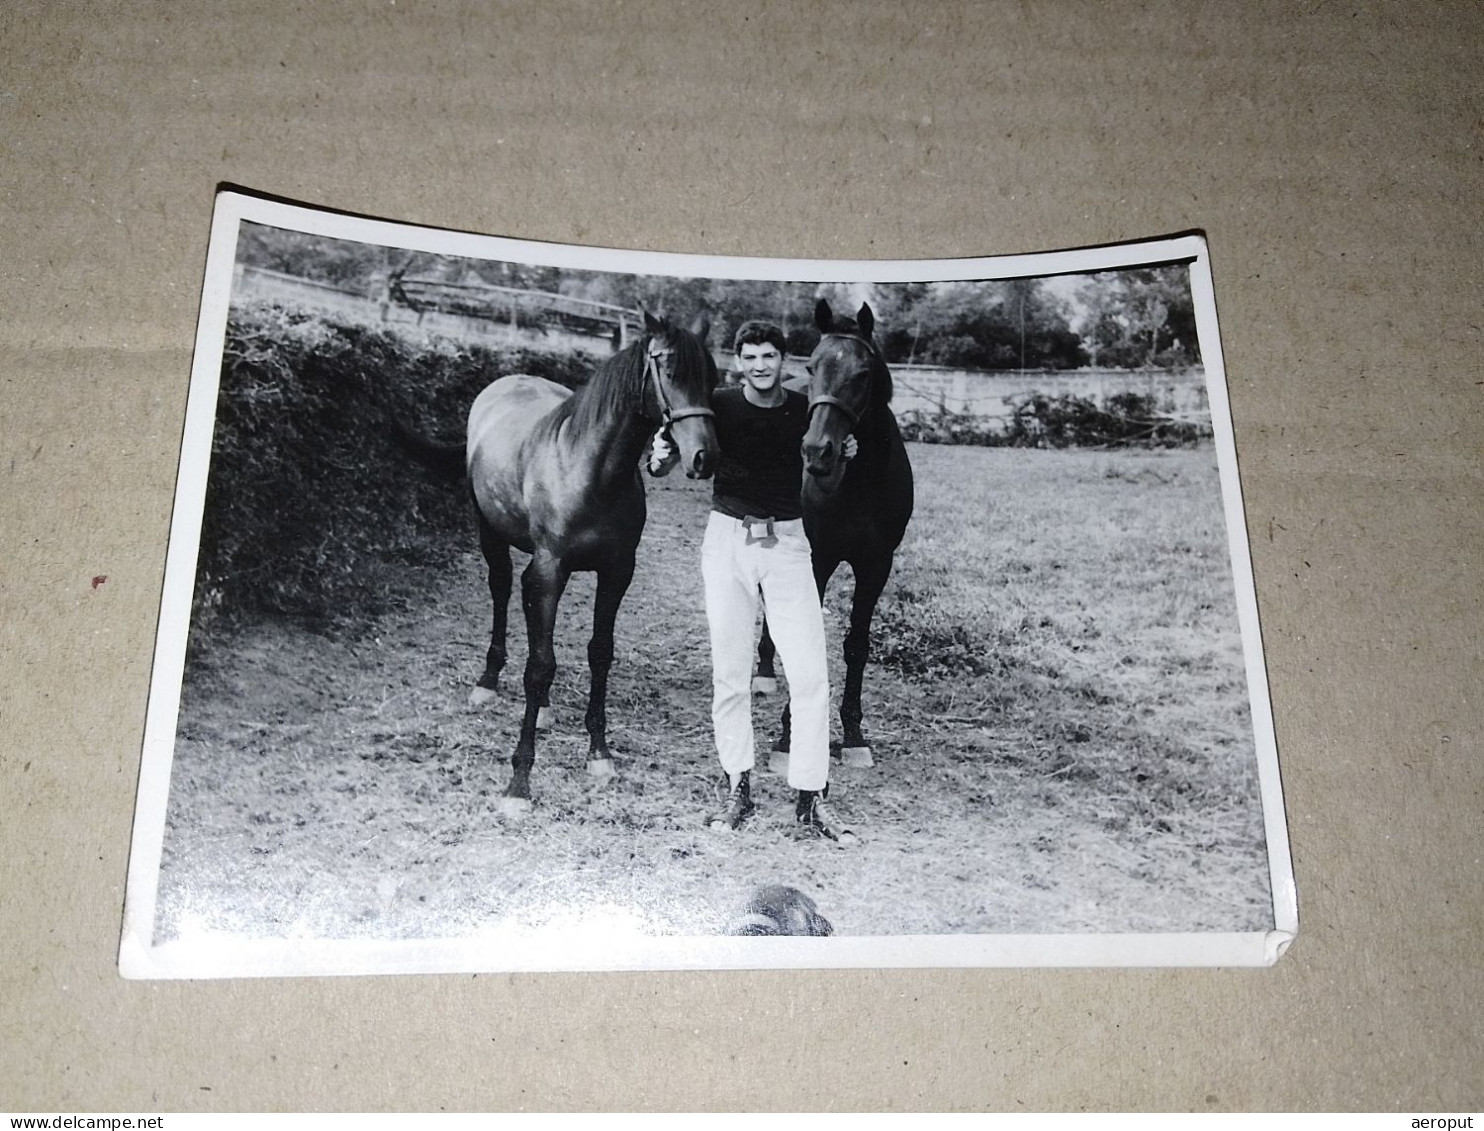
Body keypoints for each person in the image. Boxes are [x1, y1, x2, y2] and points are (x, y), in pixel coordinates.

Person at [650, 319, 856, 843]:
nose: (760, 365)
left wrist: (845, 459)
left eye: (769, 356)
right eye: (751, 357)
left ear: (783, 362)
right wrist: (660, 453)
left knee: (810, 677)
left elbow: (828, 474)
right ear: (738, 361)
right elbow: (673, 449)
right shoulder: (717, 404)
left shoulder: (802, 409)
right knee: (730, 673)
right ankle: (737, 788)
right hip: (728, 542)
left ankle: (810, 800)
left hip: (787, 543)